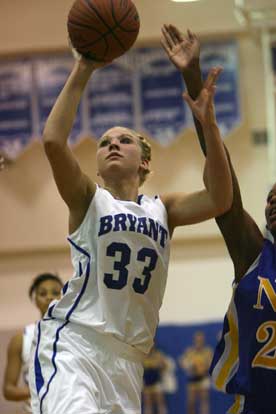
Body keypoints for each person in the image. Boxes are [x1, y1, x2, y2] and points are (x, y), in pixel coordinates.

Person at [28, 42, 233, 414]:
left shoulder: (163, 209)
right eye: (105, 142)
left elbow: (221, 198)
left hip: (129, 362)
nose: (113, 145)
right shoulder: (88, 199)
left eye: (124, 140)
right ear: (96, 167)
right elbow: (54, 142)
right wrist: (83, 68)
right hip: (76, 345)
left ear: (145, 162)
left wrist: (209, 125)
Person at [161, 24, 276, 414]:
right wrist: (194, 83)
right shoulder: (254, 252)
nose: (273, 204)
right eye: (270, 200)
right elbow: (225, 185)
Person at [2, 273, 63, 413]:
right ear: (34, 299)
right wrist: (42, 389)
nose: (49, 297)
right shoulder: (21, 339)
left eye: (55, 292)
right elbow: (8, 390)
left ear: (64, 297)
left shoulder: (76, 335)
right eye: (42, 293)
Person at [179, 331, 213, 414]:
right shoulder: (190, 351)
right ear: (194, 340)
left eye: (201, 339)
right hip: (192, 379)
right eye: (197, 339)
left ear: (203, 340)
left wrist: (204, 367)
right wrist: (189, 365)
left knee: (204, 401)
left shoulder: (208, 351)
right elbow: (182, 362)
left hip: (203, 378)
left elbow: (211, 364)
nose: (199, 341)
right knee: (191, 402)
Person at [143, 346, 168, 414]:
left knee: (160, 403)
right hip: (147, 384)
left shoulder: (158, 355)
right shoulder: (143, 355)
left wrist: (161, 365)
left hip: (157, 383)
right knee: (148, 404)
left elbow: (165, 367)